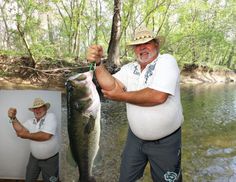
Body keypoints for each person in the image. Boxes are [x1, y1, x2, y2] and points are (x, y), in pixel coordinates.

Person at [86, 26, 184, 182]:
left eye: (147, 43)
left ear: (156, 45)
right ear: (134, 50)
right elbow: (110, 86)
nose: (142, 47)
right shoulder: (129, 68)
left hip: (166, 142)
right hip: (135, 139)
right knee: (126, 179)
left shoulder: (166, 61)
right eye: (138, 45)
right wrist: (98, 64)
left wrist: (122, 96)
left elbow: (158, 96)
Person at [8, 98, 59, 182]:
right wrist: (13, 118)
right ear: (33, 111)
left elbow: (46, 136)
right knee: (29, 179)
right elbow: (20, 131)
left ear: (45, 108)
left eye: (40, 107)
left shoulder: (51, 116)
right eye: (35, 108)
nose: (37, 110)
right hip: (34, 158)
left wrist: (26, 135)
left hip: (51, 160)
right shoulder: (30, 121)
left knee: (51, 181)